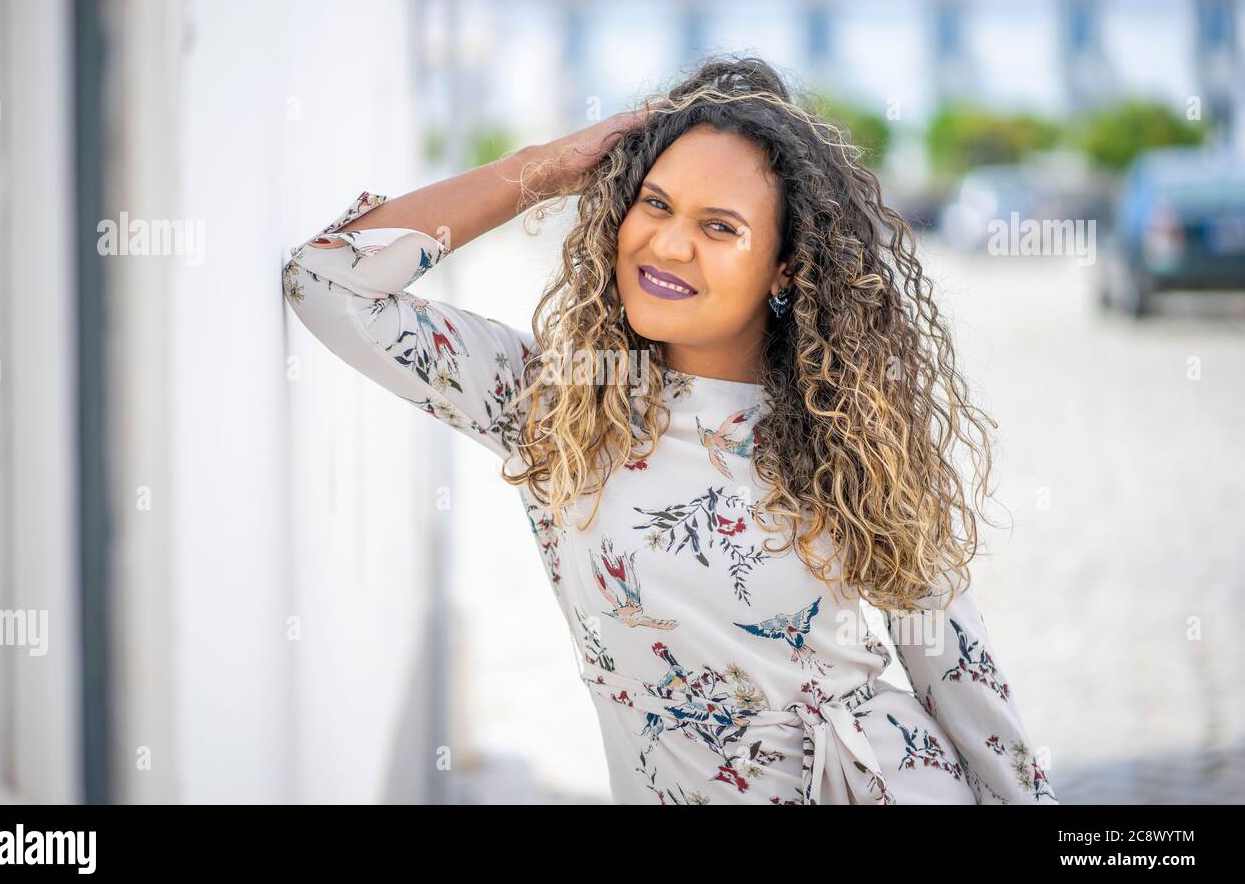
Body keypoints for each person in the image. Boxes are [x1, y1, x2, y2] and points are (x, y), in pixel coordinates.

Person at [281, 56, 1058, 805]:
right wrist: (541, 171)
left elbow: (958, 671)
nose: (669, 244)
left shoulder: (850, 433)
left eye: (719, 227)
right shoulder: (558, 405)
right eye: (654, 204)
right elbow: (325, 282)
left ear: (787, 267)